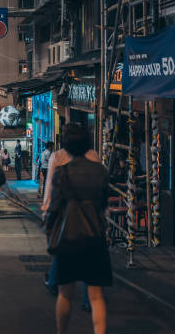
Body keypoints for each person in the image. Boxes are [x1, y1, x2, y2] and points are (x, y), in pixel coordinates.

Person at [43, 123, 111, 334]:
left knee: (64, 293)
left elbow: (53, 207)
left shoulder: (62, 172)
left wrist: (49, 230)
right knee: (96, 295)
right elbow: (103, 203)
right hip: (94, 236)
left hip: (68, 237)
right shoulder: (100, 170)